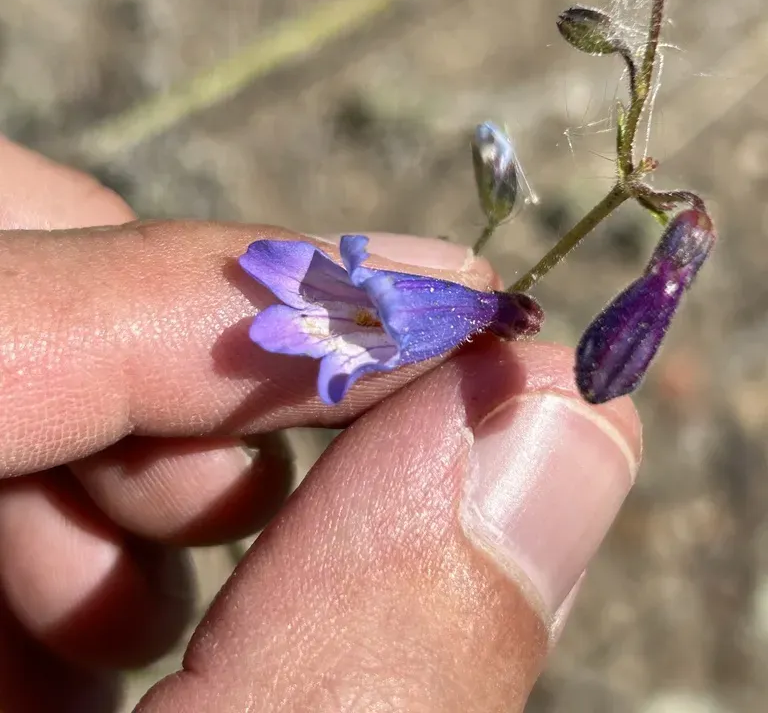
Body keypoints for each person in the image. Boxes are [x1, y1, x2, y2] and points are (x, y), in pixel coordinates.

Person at [0, 135, 641, 712]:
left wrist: (447, 309)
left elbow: (348, 313)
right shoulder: (386, 322)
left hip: (452, 314)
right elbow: (303, 286)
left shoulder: (398, 322)